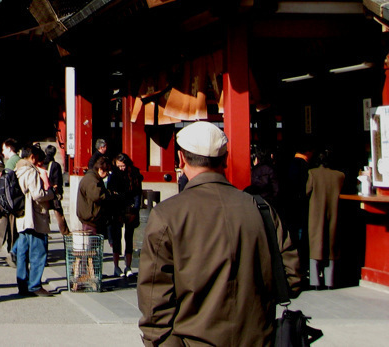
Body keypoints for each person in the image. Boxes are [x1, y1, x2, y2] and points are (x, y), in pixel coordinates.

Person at [137, 122, 301, 346]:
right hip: (258, 339)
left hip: (193, 340)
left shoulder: (167, 215)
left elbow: (154, 300)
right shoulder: (262, 209)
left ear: (180, 159)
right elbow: (291, 278)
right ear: (225, 159)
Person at [13, 144, 56, 296]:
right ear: (32, 157)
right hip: (34, 216)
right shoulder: (30, 171)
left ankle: (22, 285)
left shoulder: (17, 169)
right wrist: (50, 193)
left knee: (22, 253)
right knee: (38, 251)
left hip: (22, 216)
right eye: (38, 160)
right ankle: (35, 285)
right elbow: (38, 194)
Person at [305, 149, 344, 290]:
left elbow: (307, 191)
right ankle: (330, 282)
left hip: (316, 214)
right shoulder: (340, 176)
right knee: (331, 247)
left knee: (316, 246)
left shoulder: (313, 174)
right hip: (334, 214)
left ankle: (315, 281)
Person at [107, 152, 143, 279]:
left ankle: (128, 266)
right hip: (117, 207)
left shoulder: (134, 174)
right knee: (116, 238)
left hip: (130, 207)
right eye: (118, 166)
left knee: (129, 237)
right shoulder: (113, 174)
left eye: (123, 165)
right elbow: (110, 191)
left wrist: (136, 208)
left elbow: (138, 193)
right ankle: (116, 267)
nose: (121, 168)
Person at [76, 153, 112, 234]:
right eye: (106, 172)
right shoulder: (92, 180)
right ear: (100, 169)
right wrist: (108, 194)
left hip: (90, 217)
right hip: (90, 218)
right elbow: (97, 196)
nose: (107, 175)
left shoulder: (93, 177)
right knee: (92, 243)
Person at [43, 145, 71, 236]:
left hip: (44, 191)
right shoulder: (55, 165)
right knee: (59, 213)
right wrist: (60, 191)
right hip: (54, 191)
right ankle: (65, 231)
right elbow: (58, 180)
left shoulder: (42, 163)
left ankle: (45, 232)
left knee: (44, 213)